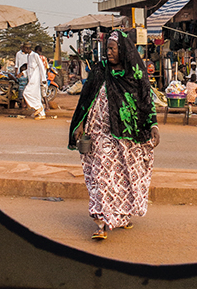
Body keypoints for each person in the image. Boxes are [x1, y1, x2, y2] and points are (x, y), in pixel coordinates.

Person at [68, 30, 160, 240]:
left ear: (123, 50)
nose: (108, 52)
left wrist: (153, 125)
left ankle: (122, 215)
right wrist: (80, 124)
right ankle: (100, 222)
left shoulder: (135, 73)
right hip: (99, 134)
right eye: (107, 48)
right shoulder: (100, 71)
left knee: (124, 175)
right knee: (101, 176)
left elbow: (146, 101)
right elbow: (86, 98)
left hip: (126, 135)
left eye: (112, 48)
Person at [23, 45, 47, 118]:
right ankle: (42, 114)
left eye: (24, 49)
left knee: (26, 93)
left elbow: (41, 66)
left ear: (27, 48)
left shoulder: (35, 55)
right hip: (31, 78)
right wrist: (23, 73)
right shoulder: (28, 56)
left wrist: (43, 79)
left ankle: (37, 107)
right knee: (36, 96)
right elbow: (29, 68)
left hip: (35, 79)